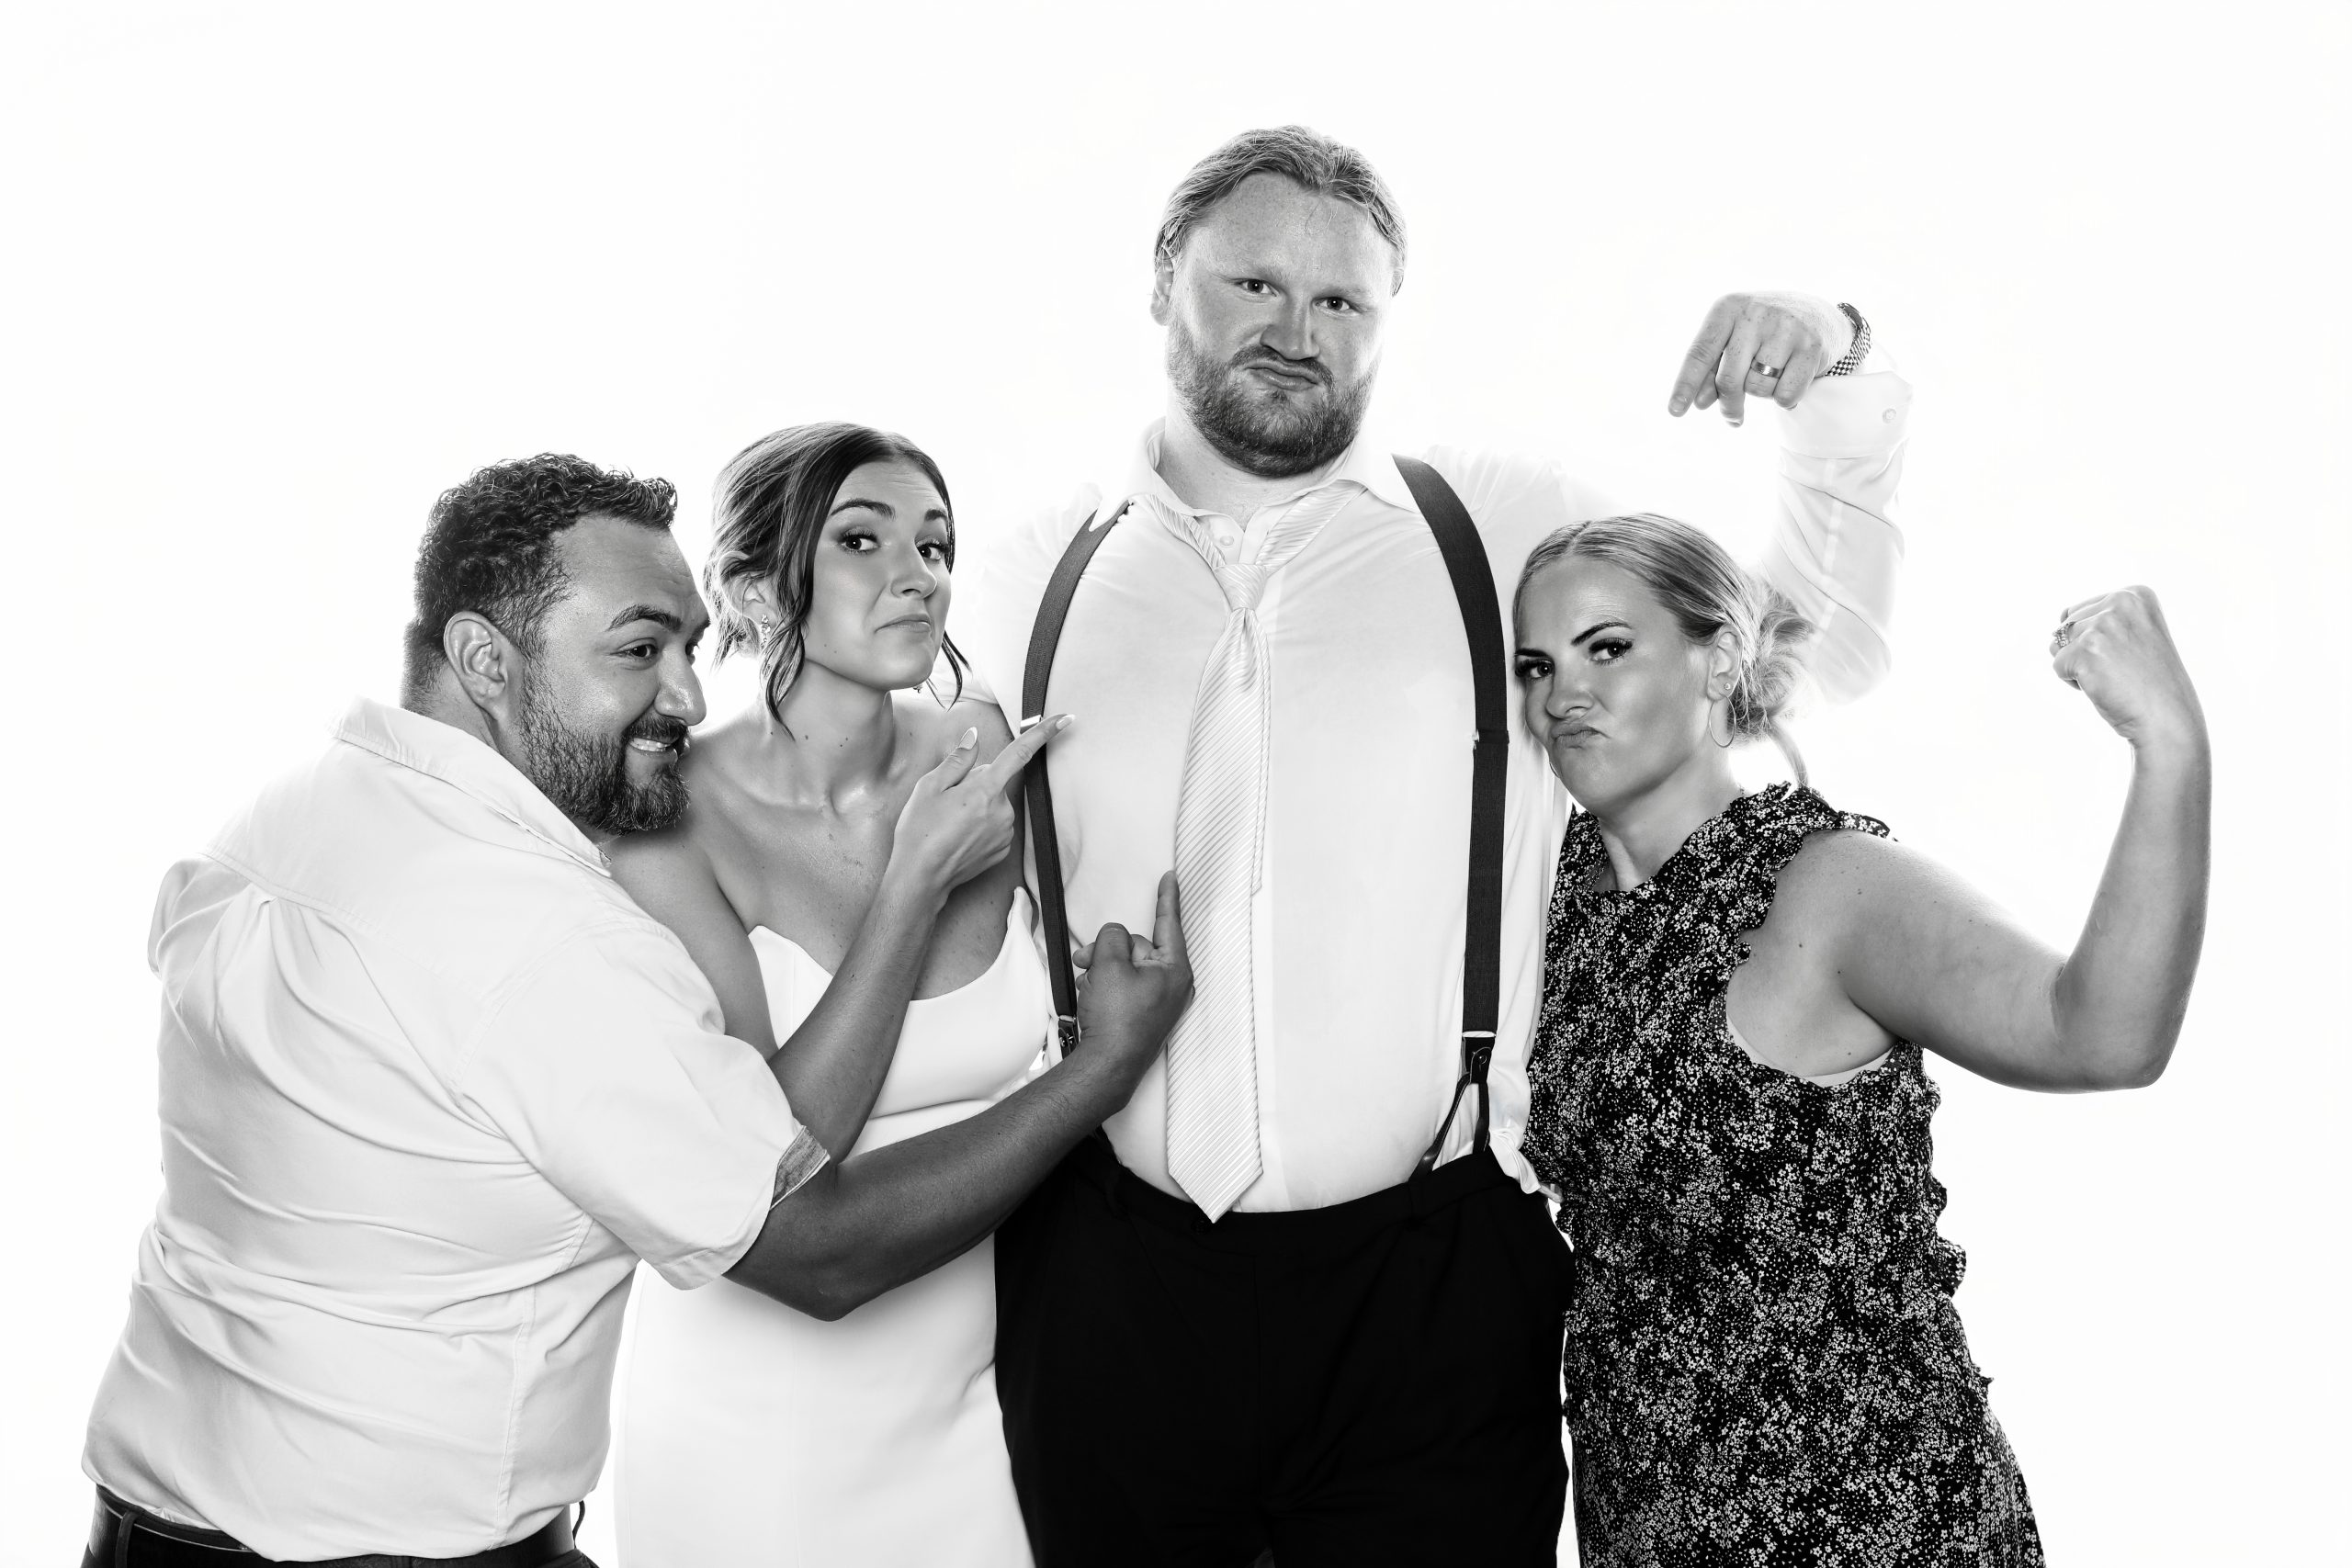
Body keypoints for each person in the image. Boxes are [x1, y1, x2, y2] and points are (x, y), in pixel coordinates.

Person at [953, 124, 1913, 1564]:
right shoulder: (1033, 569)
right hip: (1106, 1278)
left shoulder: (1512, 533)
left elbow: (1802, 647)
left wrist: (1834, 361)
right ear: (1162, 287)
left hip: (1432, 1286)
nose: (1298, 330)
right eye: (1254, 284)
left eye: (1342, 300)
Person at [76, 454, 1191, 1567]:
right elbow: (817, 1250)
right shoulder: (552, 943)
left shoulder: (276, 821)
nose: (689, 698)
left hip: (149, 1530)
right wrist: (1100, 1068)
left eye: (688, 649)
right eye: (637, 650)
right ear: (484, 661)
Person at [1509, 513, 2208, 1564]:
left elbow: (2102, 1035)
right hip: (1645, 1518)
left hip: (1872, 1520)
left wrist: (2169, 741)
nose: (1563, 695)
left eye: (1606, 648)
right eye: (1537, 665)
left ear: (1719, 661)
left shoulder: (1824, 886)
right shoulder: (1546, 895)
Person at [607, 424, 1044, 1565]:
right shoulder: (669, 825)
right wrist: (911, 885)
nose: (918, 575)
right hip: (759, 1440)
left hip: (981, 1423)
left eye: (934, 545)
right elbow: (771, 1166)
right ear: (755, 591)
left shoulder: (982, 751)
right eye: (861, 539)